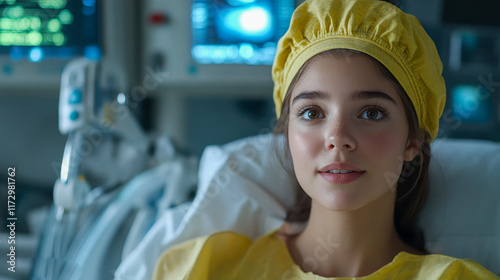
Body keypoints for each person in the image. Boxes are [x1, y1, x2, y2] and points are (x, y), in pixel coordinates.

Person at [152, 0, 500, 278]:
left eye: (371, 113)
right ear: (287, 133)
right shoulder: (207, 269)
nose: (338, 139)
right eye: (312, 113)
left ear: (413, 141)